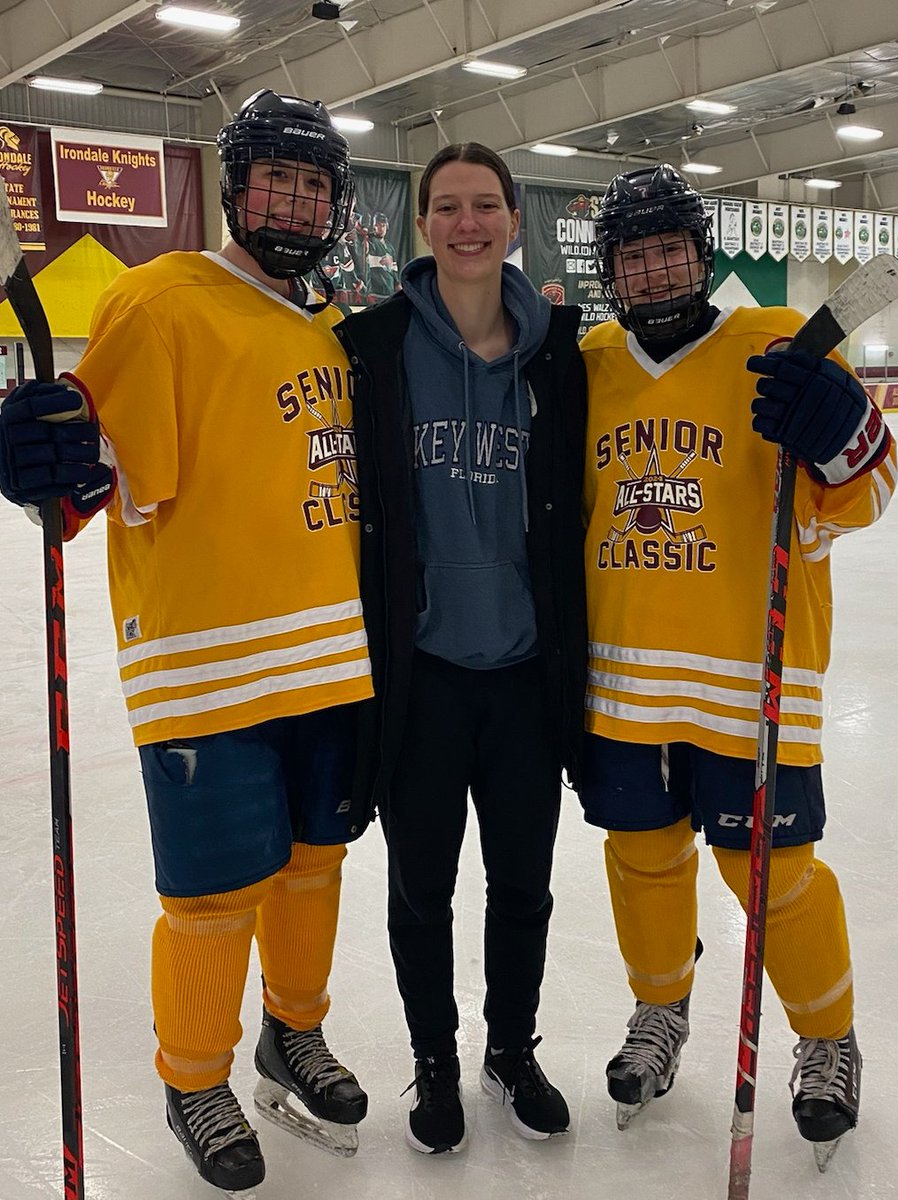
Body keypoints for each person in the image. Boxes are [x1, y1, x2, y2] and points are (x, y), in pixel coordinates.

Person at [0, 90, 375, 1193]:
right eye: (278, 178)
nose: (295, 199)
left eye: (315, 183)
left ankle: (290, 1034)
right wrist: (44, 461)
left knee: (314, 869)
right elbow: (88, 468)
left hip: (333, 662)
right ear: (235, 186)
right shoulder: (158, 300)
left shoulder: (335, 333)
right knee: (213, 896)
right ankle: (193, 1076)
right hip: (207, 664)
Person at [579, 163, 895, 1167]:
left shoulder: (772, 342)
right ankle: (660, 1012)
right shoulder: (588, 362)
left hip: (750, 682)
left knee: (776, 876)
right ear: (611, 272)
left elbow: (874, 488)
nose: (656, 266)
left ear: (702, 253)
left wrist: (841, 432)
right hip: (624, 683)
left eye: (670, 246)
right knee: (641, 858)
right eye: (635, 253)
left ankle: (828, 1039)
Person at [334, 143, 587, 1154]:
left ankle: (509, 1050)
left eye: (486, 205)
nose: (466, 222)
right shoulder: (373, 345)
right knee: (420, 890)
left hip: (527, 679)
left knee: (522, 884)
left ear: (514, 220)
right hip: (425, 678)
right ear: (422, 224)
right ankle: (434, 1060)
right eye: (446, 206)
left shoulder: (566, 355)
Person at [364, 211, 400, 302]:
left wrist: (399, 289)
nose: (380, 228)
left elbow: (394, 272)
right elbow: (364, 248)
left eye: (383, 225)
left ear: (387, 227)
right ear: (373, 226)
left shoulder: (390, 247)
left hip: (390, 293)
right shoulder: (370, 241)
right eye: (378, 225)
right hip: (375, 293)